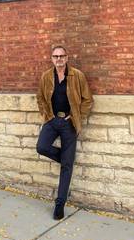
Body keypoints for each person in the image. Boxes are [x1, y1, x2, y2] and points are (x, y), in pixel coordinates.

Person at [36, 44, 93, 220]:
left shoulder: (77, 76)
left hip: (70, 123)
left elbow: (88, 100)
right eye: (55, 56)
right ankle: (66, 159)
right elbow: (40, 98)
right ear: (52, 59)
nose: (59, 59)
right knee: (42, 147)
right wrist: (48, 116)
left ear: (67, 58)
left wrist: (77, 116)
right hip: (52, 121)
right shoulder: (46, 76)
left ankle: (59, 204)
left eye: (61, 56)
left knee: (66, 168)